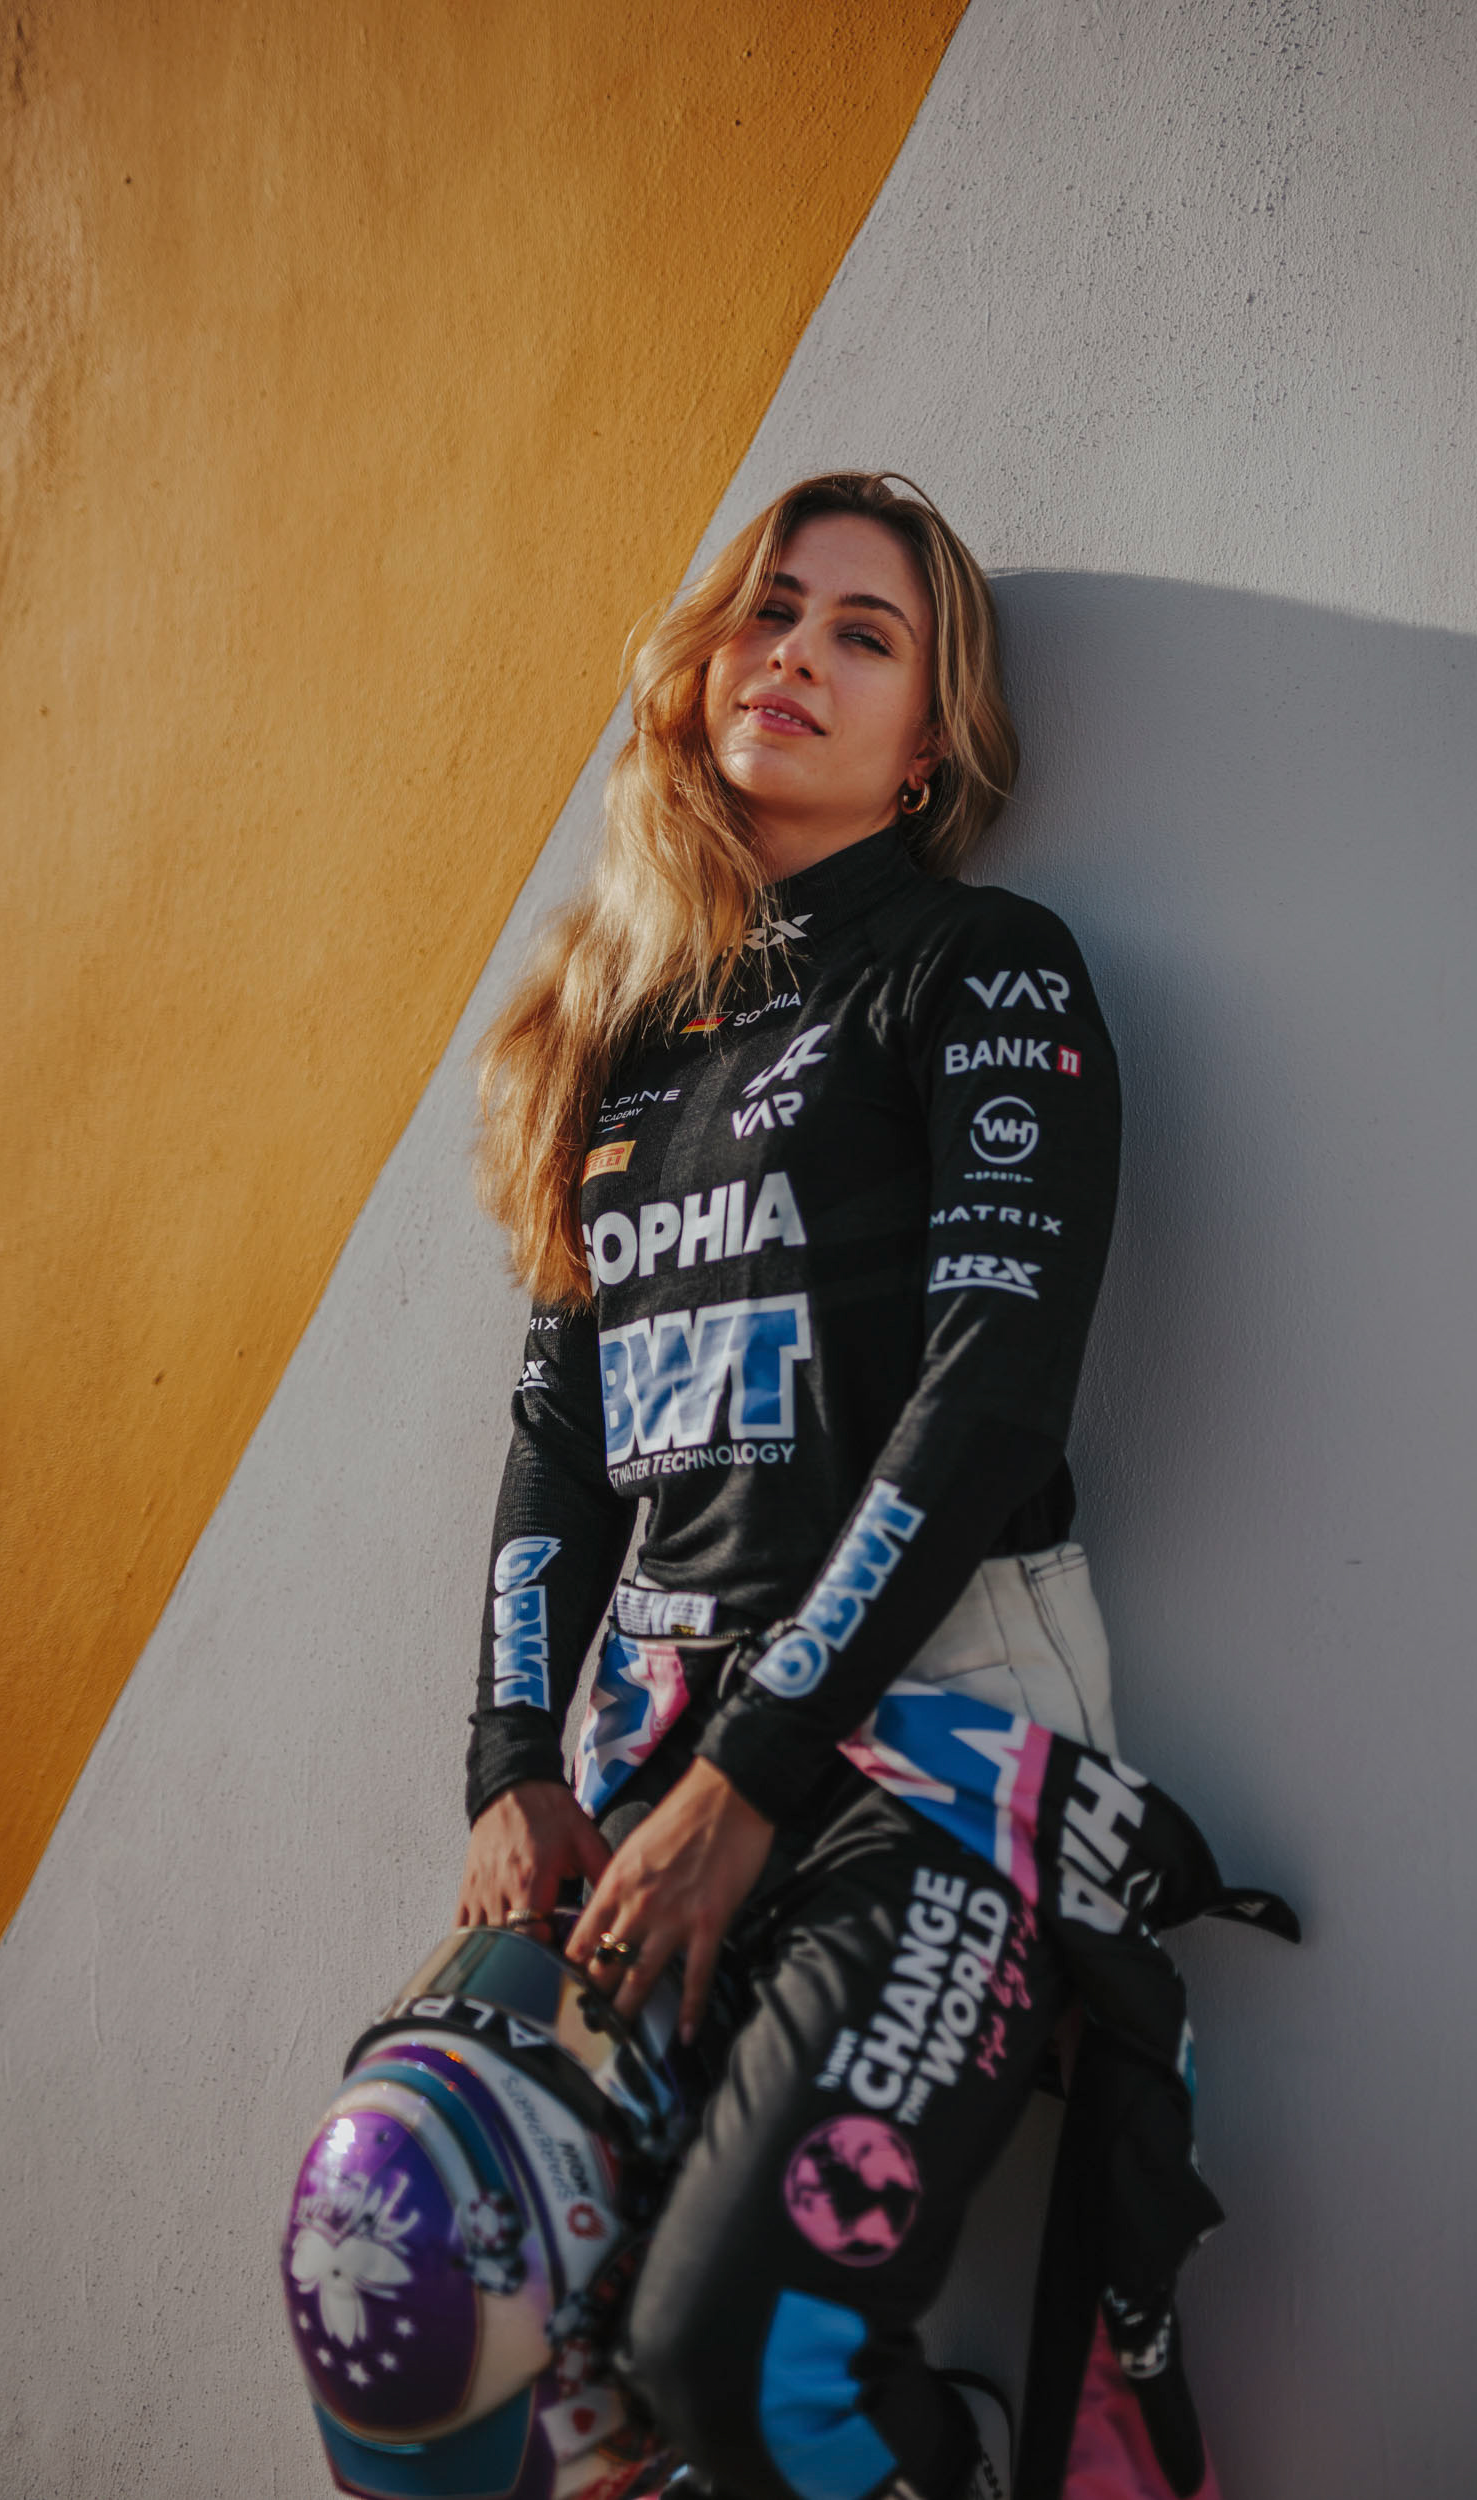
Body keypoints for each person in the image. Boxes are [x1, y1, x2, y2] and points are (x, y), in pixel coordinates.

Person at [455, 471, 1125, 2500]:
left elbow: (990, 1400)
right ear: (701, 667)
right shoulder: (619, 1046)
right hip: (651, 1782)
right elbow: (562, 1441)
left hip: (929, 1761)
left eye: (864, 632)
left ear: (929, 742)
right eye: (770, 610)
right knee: (456, 2312)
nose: (798, 655)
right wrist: (512, 1760)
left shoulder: (983, 967)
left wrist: (755, 1773)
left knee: (736, 2359)